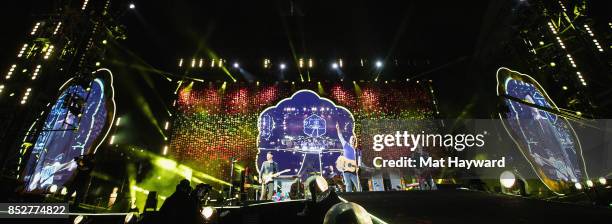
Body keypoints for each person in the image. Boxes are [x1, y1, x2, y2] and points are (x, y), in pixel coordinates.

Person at [335, 123, 361, 192]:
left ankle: (360, 198)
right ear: (349, 140)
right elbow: (340, 136)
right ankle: (349, 199)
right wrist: (338, 129)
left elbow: (359, 159)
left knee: (358, 185)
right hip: (346, 169)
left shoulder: (357, 150)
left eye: (354, 140)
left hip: (353, 169)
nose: (353, 140)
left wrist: (358, 166)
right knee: (348, 185)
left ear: (355, 141)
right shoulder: (346, 145)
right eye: (352, 139)